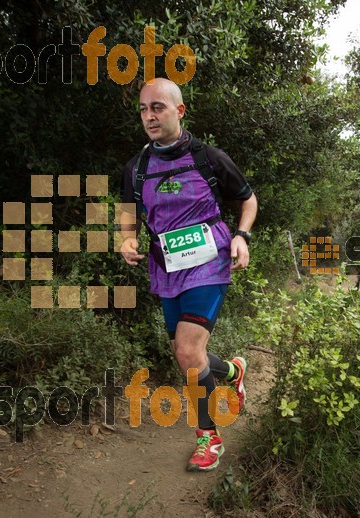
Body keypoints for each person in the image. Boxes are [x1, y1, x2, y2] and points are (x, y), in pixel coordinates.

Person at [119, 78, 258, 472]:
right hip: (167, 268)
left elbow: (248, 200)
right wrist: (127, 241)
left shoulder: (209, 158)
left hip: (210, 262)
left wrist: (242, 237)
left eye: (158, 107)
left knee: (185, 350)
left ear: (180, 111)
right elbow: (128, 221)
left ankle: (208, 438)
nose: (149, 116)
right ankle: (233, 371)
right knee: (189, 355)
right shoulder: (136, 168)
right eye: (144, 109)